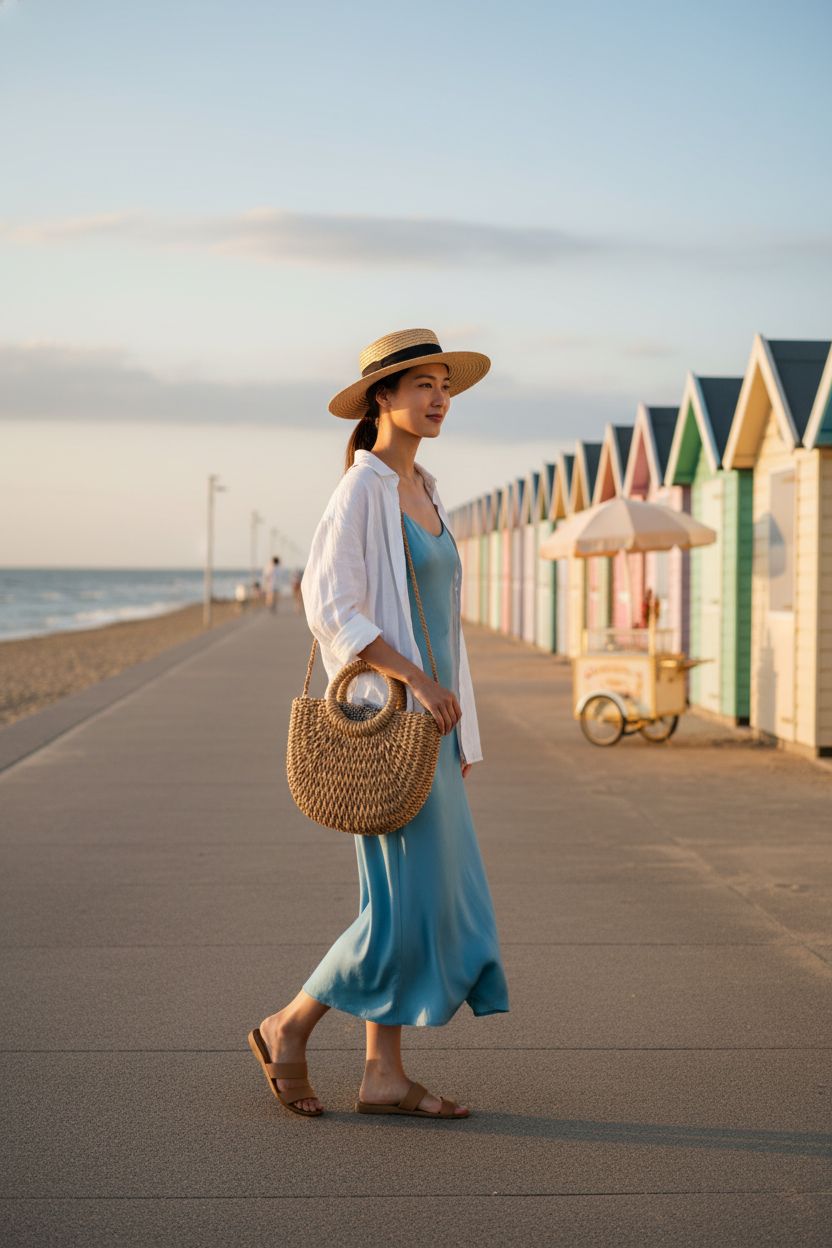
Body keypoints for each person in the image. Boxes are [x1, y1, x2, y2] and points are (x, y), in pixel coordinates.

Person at [248, 328, 510, 1119]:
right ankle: (288, 1025)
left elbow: (443, 620)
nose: (438, 398)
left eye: (444, 385)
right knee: (405, 907)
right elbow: (330, 607)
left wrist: (457, 727)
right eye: (421, 385)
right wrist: (418, 684)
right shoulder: (361, 492)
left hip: (432, 732)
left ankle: (382, 1075)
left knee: (413, 903)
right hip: (392, 723)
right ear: (382, 399)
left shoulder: (424, 486)